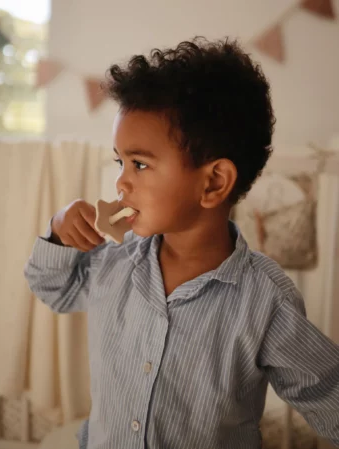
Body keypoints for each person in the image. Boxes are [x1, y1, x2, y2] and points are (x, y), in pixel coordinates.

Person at [24, 37, 339, 449]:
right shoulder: (112, 264)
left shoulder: (266, 301)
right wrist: (58, 228)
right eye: (121, 161)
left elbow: (326, 395)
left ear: (213, 183)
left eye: (139, 164)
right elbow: (52, 287)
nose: (121, 181)